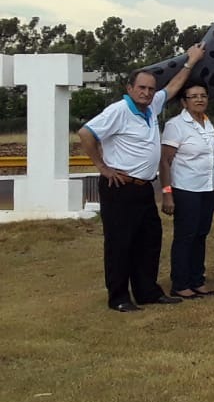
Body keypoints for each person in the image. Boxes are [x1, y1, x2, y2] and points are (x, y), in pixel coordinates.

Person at [78, 43, 205, 312]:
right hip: (120, 187)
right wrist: (103, 167)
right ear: (130, 89)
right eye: (142, 88)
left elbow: (171, 88)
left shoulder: (151, 107)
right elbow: (85, 134)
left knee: (149, 240)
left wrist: (190, 62)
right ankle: (119, 297)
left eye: (150, 88)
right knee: (120, 244)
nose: (147, 92)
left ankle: (147, 291)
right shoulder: (118, 111)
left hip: (145, 188)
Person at [159, 79, 214, 299]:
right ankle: (180, 283)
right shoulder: (176, 125)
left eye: (203, 96)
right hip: (185, 189)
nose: (199, 99)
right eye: (193, 96)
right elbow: (165, 161)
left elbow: (212, 160)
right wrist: (167, 193)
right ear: (184, 102)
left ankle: (197, 279)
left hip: (207, 188)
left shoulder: (208, 122)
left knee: (201, 235)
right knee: (186, 236)